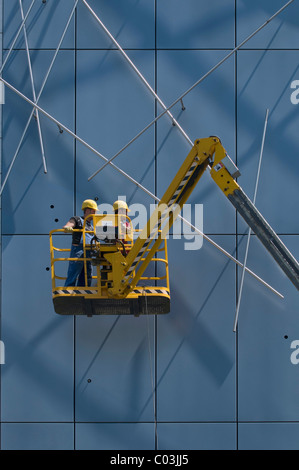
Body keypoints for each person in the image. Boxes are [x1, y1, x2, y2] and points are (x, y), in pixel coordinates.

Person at [63, 199, 97, 287]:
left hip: (88, 252)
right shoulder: (77, 220)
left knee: (87, 275)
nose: (95, 214)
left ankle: (83, 292)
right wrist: (68, 227)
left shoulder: (91, 227)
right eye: (94, 211)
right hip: (78, 251)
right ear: (87, 210)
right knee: (74, 272)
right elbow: (69, 224)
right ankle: (68, 291)